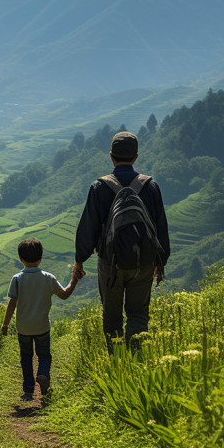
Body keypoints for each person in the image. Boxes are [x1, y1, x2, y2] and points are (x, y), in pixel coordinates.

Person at [72, 131, 169, 351]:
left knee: (112, 316)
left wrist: (79, 260)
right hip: (144, 261)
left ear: (111, 156)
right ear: (136, 156)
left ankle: (117, 364)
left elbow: (88, 227)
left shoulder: (99, 187)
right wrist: (160, 262)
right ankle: (136, 361)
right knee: (138, 314)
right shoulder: (150, 186)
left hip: (111, 263)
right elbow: (161, 227)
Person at [1, 238, 82, 401]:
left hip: (23, 327)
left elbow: (12, 303)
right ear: (41, 258)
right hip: (42, 326)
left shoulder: (17, 279)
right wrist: (74, 280)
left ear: (21, 259)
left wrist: (5, 323)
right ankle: (43, 374)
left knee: (26, 357)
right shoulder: (48, 278)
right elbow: (64, 295)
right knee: (44, 355)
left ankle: (28, 390)